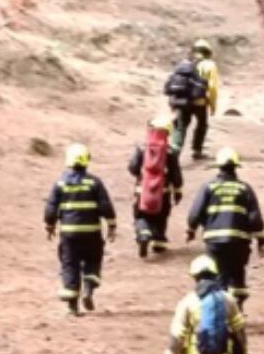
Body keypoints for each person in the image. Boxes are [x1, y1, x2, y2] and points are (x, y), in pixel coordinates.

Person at [185, 147, 264, 308]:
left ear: (218, 167)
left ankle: (220, 310)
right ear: (236, 167)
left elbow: (195, 212)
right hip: (239, 242)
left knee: (218, 275)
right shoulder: (245, 188)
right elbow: (255, 218)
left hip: (215, 242)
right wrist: (261, 240)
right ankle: (238, 305)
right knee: (238, 272)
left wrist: (191, 230)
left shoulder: (209, 187)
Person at [44, 144, 117, 315]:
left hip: (69, 234)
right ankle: (88, 289)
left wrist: (50, 225)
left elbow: (51, 208)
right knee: (93, 260)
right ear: (87, 161)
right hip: (92, 233)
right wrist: (112, 225)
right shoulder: (95, 182)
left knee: (70, 264)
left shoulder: (60, 183)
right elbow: (105, 206)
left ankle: (72, 306)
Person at [126, 115, 184, 258]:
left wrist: (141, 176)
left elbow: (133, 168)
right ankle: (159, 242)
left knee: (140, 215)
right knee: (161, 216)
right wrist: (177, 191)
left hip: (142, 190)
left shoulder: (142, 148)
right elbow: (176, 175)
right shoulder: (170, 151)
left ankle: (143, 233)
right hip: (163, 192)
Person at [163, 40, 220, 160]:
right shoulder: (210, 65)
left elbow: (176, 82)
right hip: (200, 102)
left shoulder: (185, 64)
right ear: (208, 52)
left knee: (181, 126)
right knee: (202, 125)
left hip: (184, 101)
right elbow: (213, 88)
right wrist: (213, 105)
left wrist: (174, 102)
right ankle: (197, 150)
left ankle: (175, 150)